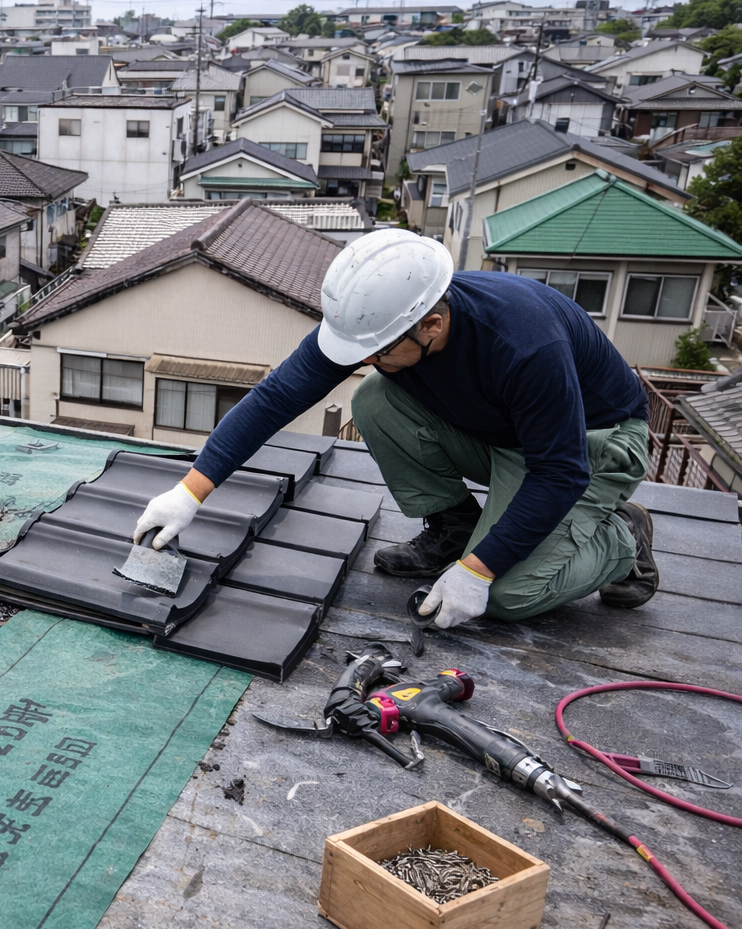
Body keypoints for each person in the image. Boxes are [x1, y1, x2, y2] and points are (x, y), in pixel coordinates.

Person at [132, 230, 658, 629]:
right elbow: (276, 397)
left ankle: (621, 539)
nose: (365, 358)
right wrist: (190, 491)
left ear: (432, 324)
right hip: (503, 432)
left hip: (588, 446)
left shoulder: (525, 344)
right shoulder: (379, 321)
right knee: (376, 398)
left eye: (378, 351)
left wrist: (479, 570)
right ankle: (453, 530)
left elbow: (558, 472)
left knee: (505, 596)